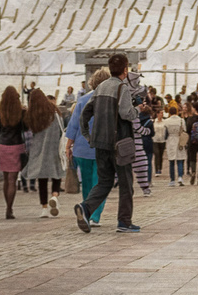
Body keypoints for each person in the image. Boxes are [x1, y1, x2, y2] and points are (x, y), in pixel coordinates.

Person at [74, 52, 141, 235]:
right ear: (125, 70)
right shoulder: (122, 89)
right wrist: (138, 110)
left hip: (100, 144)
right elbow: (126, 113)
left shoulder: (100, 87)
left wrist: (88, 136)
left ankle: (86, 208)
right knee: (126, 183)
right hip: (120, 144)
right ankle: (124, 222)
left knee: (104, 182)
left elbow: (85, 114)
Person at [22, 87, 66, 217]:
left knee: (42, 179)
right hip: (54, 148)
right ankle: (55, 196)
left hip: (39, 149)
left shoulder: (32, 114)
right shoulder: (55, 112)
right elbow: (61, 128)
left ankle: (44, 208)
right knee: (57, 173)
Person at [0, 86, 30, 219]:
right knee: (13, 180)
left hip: (3, 145)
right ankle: (10, 208)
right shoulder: (21, 112)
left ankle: (7, 207)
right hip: (16, 145)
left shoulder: (0, 112)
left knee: (5, 179)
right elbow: (26, 128)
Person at [66, 75, 100, 202]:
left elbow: (74, 125)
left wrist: (68, 146)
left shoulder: (82, 100)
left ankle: (87, 209)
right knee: (99, 182)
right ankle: (95, 216)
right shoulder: (111, 100)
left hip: (82, 148)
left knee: (86, 182)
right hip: (102, 148)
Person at [155, 99, 183, 188]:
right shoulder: (181, 120)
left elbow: (164, 133)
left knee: (171, 161)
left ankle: (172, 180)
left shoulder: (167, 121)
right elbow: (184, 130)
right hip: (179, 140)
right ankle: (180, 177)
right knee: (180, 159)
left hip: (170, 140)